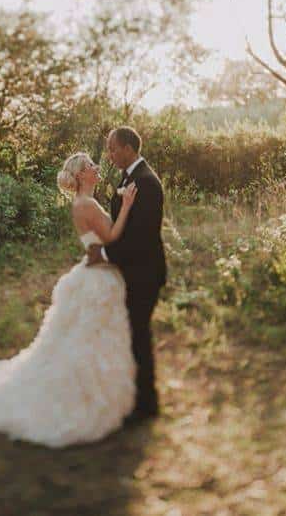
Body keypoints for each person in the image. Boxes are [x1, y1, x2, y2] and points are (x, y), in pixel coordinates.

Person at [0, 152, 139, 448]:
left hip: (93, 272)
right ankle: (83, 396)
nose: (96, 167)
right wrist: (126, 205)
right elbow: (112, 237)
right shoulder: (87, 204)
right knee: (89, 338)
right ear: (79, 176)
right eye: (90, 166)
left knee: (83, 337)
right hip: (99, 277)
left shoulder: (82, 203)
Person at [87, 126, 166, 425]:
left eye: (113, 148)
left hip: (145, 272)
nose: (109, 154)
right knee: (133, 334)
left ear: (130, 148)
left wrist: (105, 256)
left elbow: (141, 237)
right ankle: (140, 398)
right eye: (108, 149)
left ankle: (147, 404)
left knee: (139, 335)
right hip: (132, 270)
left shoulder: (146, 182)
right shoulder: (129, 178)